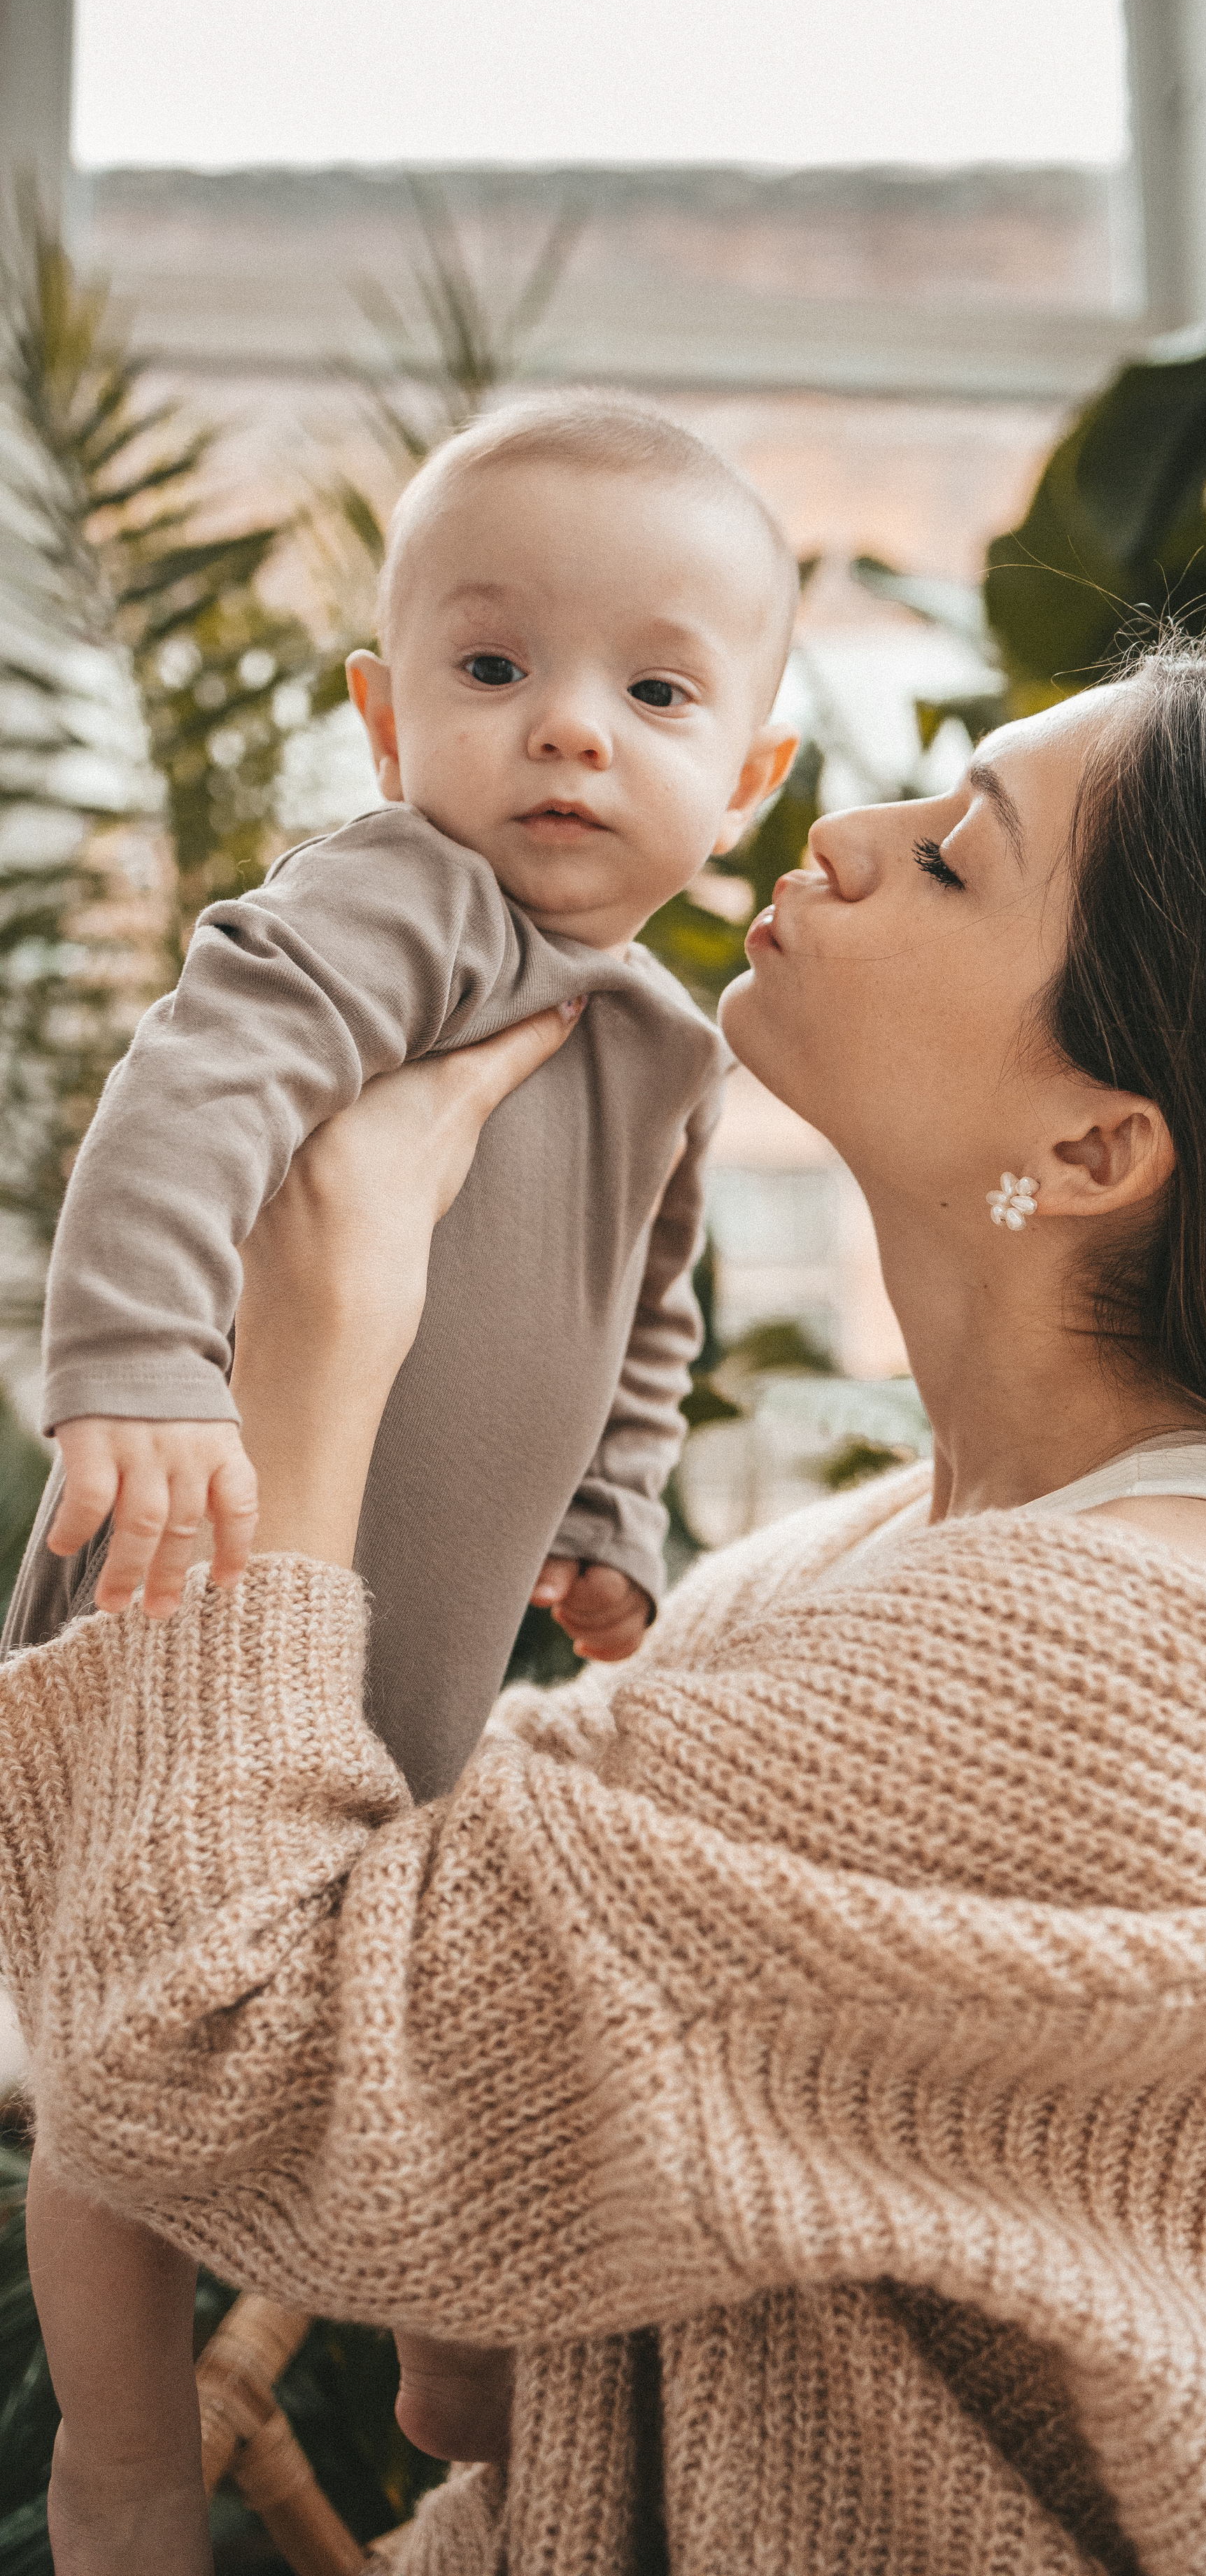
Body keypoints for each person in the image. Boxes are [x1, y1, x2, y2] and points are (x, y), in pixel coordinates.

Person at [3, 650, 1206, 2576]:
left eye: (953, 860)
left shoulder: (1090, 1670)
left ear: (1100, 1146)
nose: (841, 838)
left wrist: (322, 1312)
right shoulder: (882, 1569)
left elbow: (216, 2062)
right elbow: (472, 2355)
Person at [8, 390, 799, 2570]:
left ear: (745, 777)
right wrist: (143, 1360)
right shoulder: (399, 908)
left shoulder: (667, 1041)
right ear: (384, 720)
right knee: (125, 2050)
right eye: (491, 669)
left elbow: (657, 1306)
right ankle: (121, 2455)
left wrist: (615, 1516)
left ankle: (449, 2374)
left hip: (422, 1634)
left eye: (648, 690)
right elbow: (196, 1091)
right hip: (197, 1573)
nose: (564, 733)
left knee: (364, 1998)